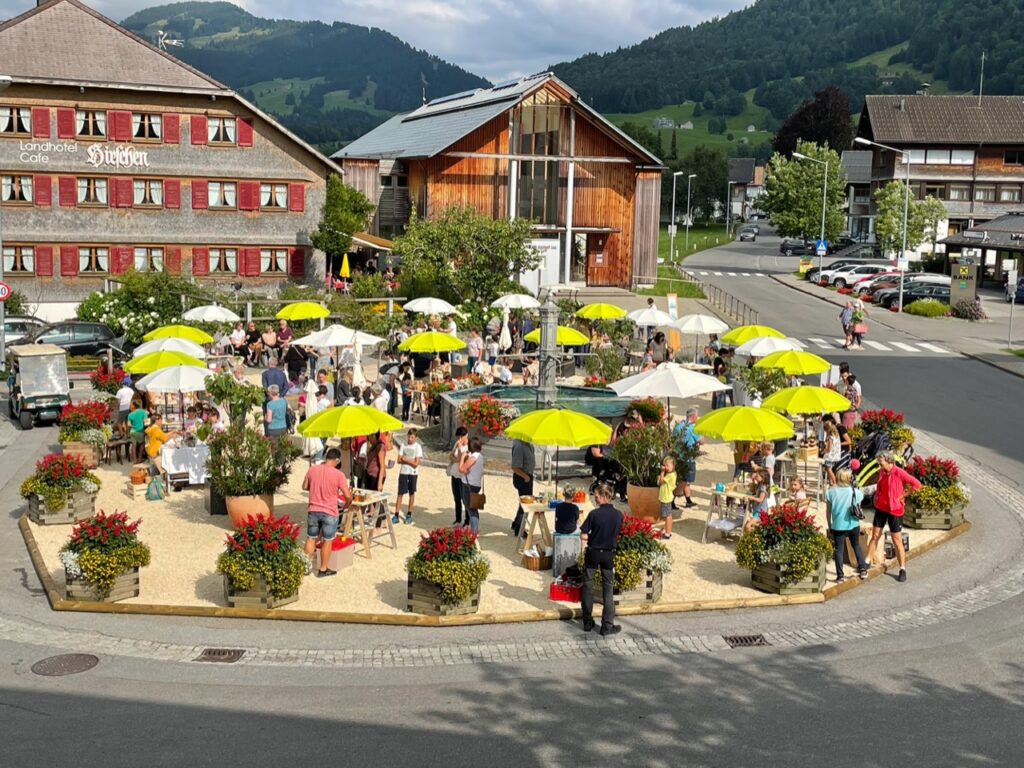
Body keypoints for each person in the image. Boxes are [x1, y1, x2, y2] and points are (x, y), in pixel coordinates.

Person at [865, 451, 922, 582]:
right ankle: (867, 561)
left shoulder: (899, 472)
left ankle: (902, 568)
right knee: (875, 536)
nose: (880, 465)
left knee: (897, 540)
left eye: (881, 462)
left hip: (895, 510)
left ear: (889, 461)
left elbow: (917, 484)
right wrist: (877, 497)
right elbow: (880, 487)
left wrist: (902, 496)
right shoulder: (883, 472)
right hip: (881, 508)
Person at [580, 482, 624, 636]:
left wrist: (593, 536)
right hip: (608, 554)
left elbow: (584, 535)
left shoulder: (593, 514)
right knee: (608, 589)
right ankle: (607, 625)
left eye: (597, 496)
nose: (595, 499)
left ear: (605, 496)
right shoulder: (619, 515)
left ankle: (587, 622)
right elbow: (618, 533)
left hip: (593, 552)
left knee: (588, 586)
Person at [302, 447, 353, 578]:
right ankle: (323, 569)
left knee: (311, 538)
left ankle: (305, 567)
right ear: (336, 460)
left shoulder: (312, 469)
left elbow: (304, 486)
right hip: (330, 511)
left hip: (313, 509)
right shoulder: (338, 475)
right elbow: (347, 495)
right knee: (327, 540)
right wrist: (348, 503)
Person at [827, 468, 868, 583]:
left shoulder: (831, 492)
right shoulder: (855, 492)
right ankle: (862, 569)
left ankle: (840, 576)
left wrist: (829, 524)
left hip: (838, 525)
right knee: (856, 546)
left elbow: (828, 511)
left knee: (839, 550)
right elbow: (858, 506)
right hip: (853, 524)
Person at [672, 407, 702, 508]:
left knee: (685, 481)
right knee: (685, 481)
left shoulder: (678, 426)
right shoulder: (693, 428)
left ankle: (688, 500)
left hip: (678, 457)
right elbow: (702, 441)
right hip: (688, 458)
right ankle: (672, 498)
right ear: (693, 417)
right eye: (697, 417)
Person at [392, 428, 423, 525]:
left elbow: (416, 463)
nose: (410, 439)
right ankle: (396, 514)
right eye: (409, 437)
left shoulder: (418, 447)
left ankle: (409, 514)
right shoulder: (403, 445)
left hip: (413, 473)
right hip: (403, 472)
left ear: (415, 438)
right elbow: (398, 460)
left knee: (411, 493)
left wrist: (405, 459)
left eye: (412, 437)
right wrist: (409, 460)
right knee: (400, 493)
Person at [459, 437, 484, 534]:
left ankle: (474, 532)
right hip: (475, 484)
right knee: (474, 508)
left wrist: (462, 457)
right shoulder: (480, 456)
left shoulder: (473, 457)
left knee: (471, 509)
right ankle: (474, 530)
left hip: (469, 485)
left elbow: (461, 469)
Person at [510, 439, 535, 536]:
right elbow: (515, 467)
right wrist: (526, 477)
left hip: (528, 476)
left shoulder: (529, 445)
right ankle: (519, 528)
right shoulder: (519, 446)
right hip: (523, 478)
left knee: (523, 503)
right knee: (525, 504)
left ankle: (516, 523)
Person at [449, 426, 469, 526]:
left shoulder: (468, 447)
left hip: (463, 477)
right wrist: (456, 450)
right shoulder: (457, 444)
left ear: (466, 436)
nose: (459, 439)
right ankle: (458, 519)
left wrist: (460, 450)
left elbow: (464, 460)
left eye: (461, 437)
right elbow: (451, 456)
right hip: (455, 475)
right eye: (458, 437)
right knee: (456, 498)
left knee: (464, 499)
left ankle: (467, 520)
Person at [658, 455, 677, 539]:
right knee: (667, 515)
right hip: (666, 497)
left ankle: (668, 533)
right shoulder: (671, 474)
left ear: (673, 466)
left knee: (668, 516)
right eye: (665, 465)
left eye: (667, 466)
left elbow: (661, 481)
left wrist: (662, 472)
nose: (666, 467)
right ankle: (667, 531)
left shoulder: (670, 475)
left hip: (666, 497)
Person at [127, 398, 148, 462]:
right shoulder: (143, 412)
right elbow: (146, 422)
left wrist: (133, 426)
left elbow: (128, 425)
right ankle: (139, 459)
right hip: (140, 431)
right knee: (142, 445)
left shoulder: (130, 414)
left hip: (133, 431)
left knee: (134, 446)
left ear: (134, 406)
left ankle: (135, 460)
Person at [822, 421, 841, 486]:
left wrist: (824, 451)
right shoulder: (836, 436)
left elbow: (829, 448)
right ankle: (831, 482)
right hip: (836, 455)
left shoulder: (830, 437)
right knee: (830, 469)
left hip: (830, 456)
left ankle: (835, 482)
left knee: (828, 469)